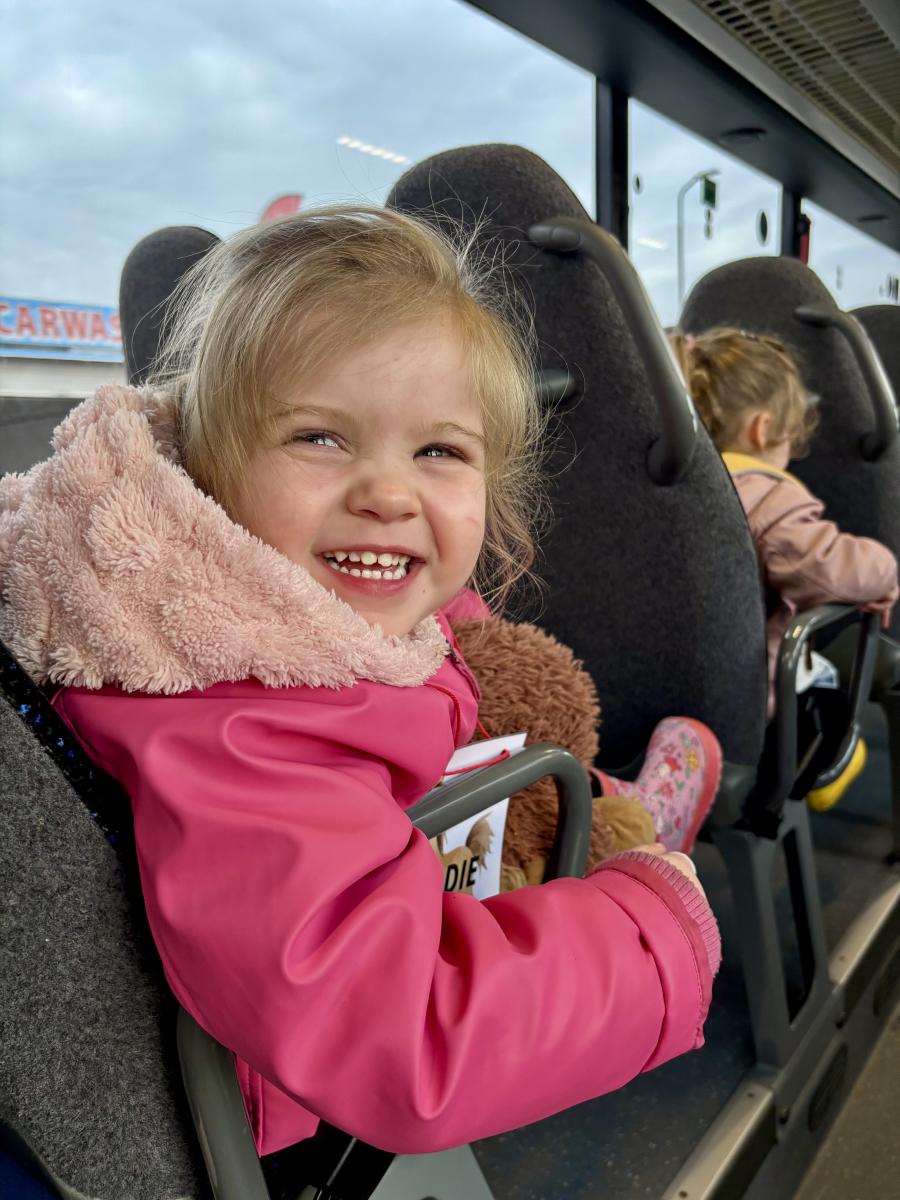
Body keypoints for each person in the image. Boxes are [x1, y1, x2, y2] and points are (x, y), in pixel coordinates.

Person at [0, 207, 721, 1165]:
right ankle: (640, 830)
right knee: (556, 790)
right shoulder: (239, 735)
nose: (387, 493)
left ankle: (612, 799)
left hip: (344, 911)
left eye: (439, 452)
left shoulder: (196, 608)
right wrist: (651, 937)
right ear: (208, 461)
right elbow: (405, 1029)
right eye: (320, 438)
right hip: (273, 1099)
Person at [671, 326, 898, 808]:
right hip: (750, 704)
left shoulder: (674, 484)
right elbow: (829, 569)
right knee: (828, 690)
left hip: (669, 685)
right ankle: (827, 763)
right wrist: (885, 567)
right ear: (762, 428)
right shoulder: (767, 494)